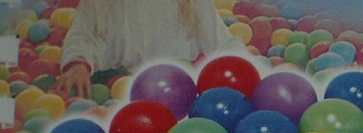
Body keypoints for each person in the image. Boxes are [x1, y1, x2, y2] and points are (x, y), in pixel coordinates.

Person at [54, 0, 242, 98]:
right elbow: (83, 35)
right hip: (117, 83)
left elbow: (222, 43)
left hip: (179, 84)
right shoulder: (101, 4)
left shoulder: (193, 3)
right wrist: (78, 64)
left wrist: (245, 69)